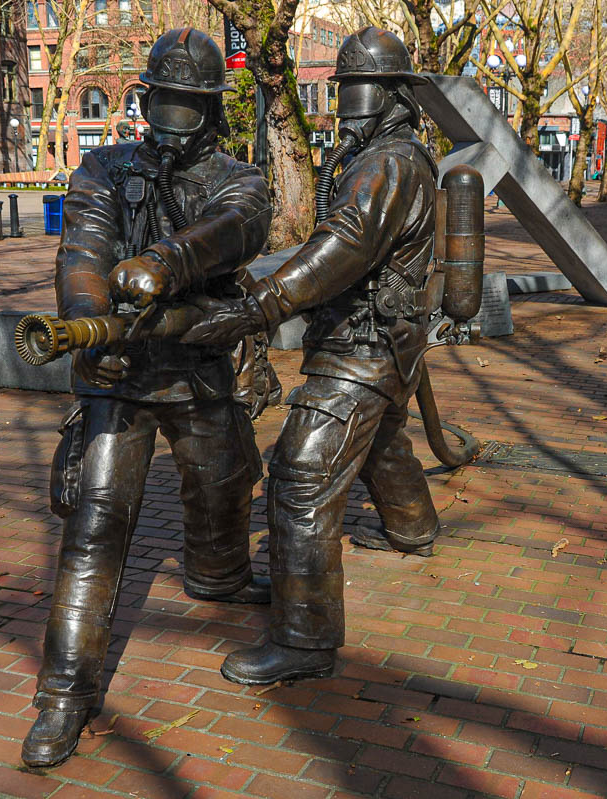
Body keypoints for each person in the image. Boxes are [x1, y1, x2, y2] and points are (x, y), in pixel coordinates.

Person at [21, 27, 273, 768]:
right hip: (119, 370)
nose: (173, 115)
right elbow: (83, 256)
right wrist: (87, 333)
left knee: (227, 480)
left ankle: (219, 574)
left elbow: (239, 230)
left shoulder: (239, 176)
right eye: (163, 99)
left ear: (210, 108)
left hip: (197, 364)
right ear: (146, 98)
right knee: (95, 526)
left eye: (188, 104)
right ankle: (63, 695)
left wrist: (169, 259)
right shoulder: (101, 168)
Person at [178, 27, 440, 685]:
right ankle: (412, 526)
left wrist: (260, 307)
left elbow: (342, 248)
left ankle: (305, 638)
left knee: (300, 473)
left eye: (361, 87)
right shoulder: (383, 155)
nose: (348, 98)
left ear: (391, 96)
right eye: (345, 85)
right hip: (384, 338)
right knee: (379, 436)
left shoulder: (387, 164)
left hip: (364, 341)